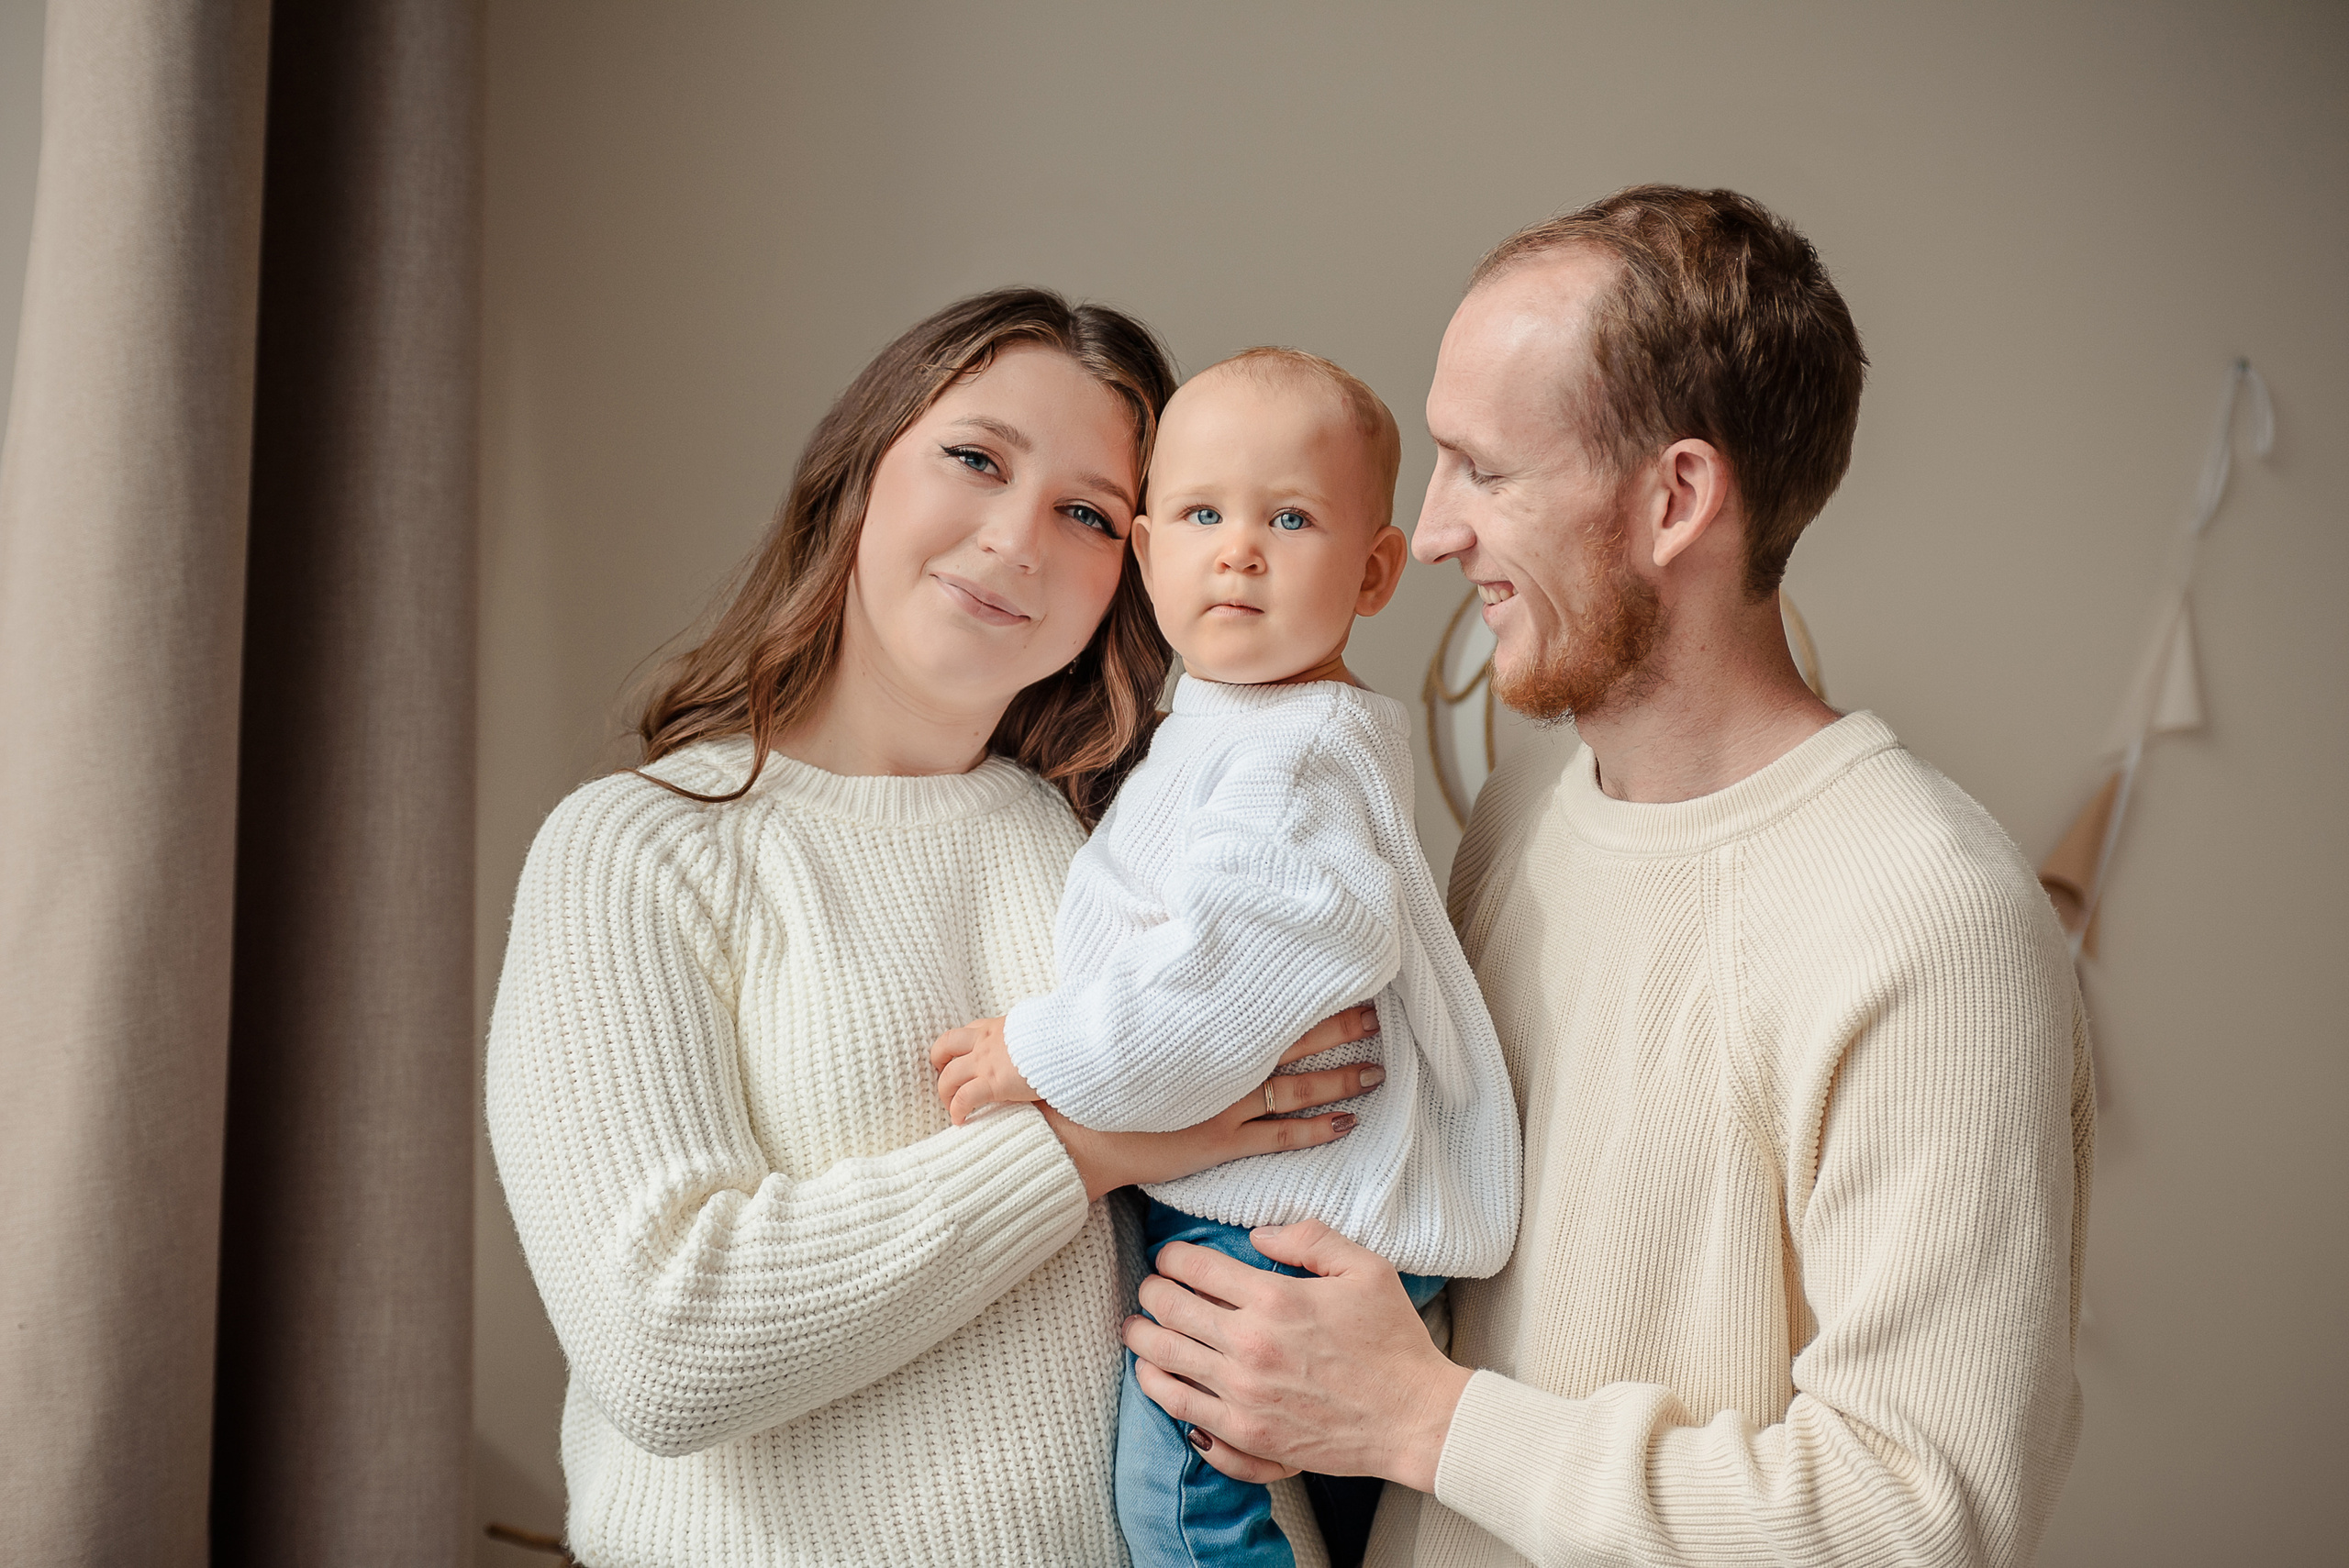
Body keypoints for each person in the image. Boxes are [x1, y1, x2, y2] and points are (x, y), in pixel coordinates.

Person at [1120, 186, 2096, 1568]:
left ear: (1676, 499)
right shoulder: (1524, 813)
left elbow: (1916, 1518)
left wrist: (1428, 1420)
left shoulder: (1927, 918)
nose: (1436, 530)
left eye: (1485, 469)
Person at [484, 289, 1386, 1568]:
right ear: (858, 474)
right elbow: (666, 1340)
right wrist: (1087, 1141)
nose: (1017, 539)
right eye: (977, 458)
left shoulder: (1133, 844)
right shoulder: (638, 849)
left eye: (1084, 510)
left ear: (1129, 564)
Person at [929, 348, 1522, 1568]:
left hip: (1290, 1227)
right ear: (1147, 555)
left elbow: (1213, 994)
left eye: (1288, 518)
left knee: (1179, 1503)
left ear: (1372, 573)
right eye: (1202, 514)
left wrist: (1034, 1054)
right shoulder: (1232, 722)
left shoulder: (1293, 762)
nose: (1238, 549)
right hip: (1275, 1210)